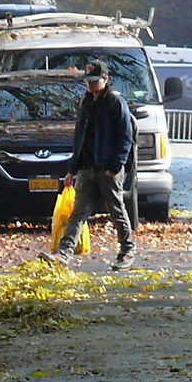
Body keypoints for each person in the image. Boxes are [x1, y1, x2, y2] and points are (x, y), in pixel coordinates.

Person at [52, 62, 137, 269]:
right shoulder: (86, 102)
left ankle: (127, 250)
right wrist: (73, 169)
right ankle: (64, 254)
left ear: (105, 79)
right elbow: (79, 138)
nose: (90, 85)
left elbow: (126, 137)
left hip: (107, 169)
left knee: (116, 210)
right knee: (78, 213)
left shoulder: (115, 102)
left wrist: (115, 166)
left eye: (94, 81)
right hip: (87, 168)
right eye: (88, 81)